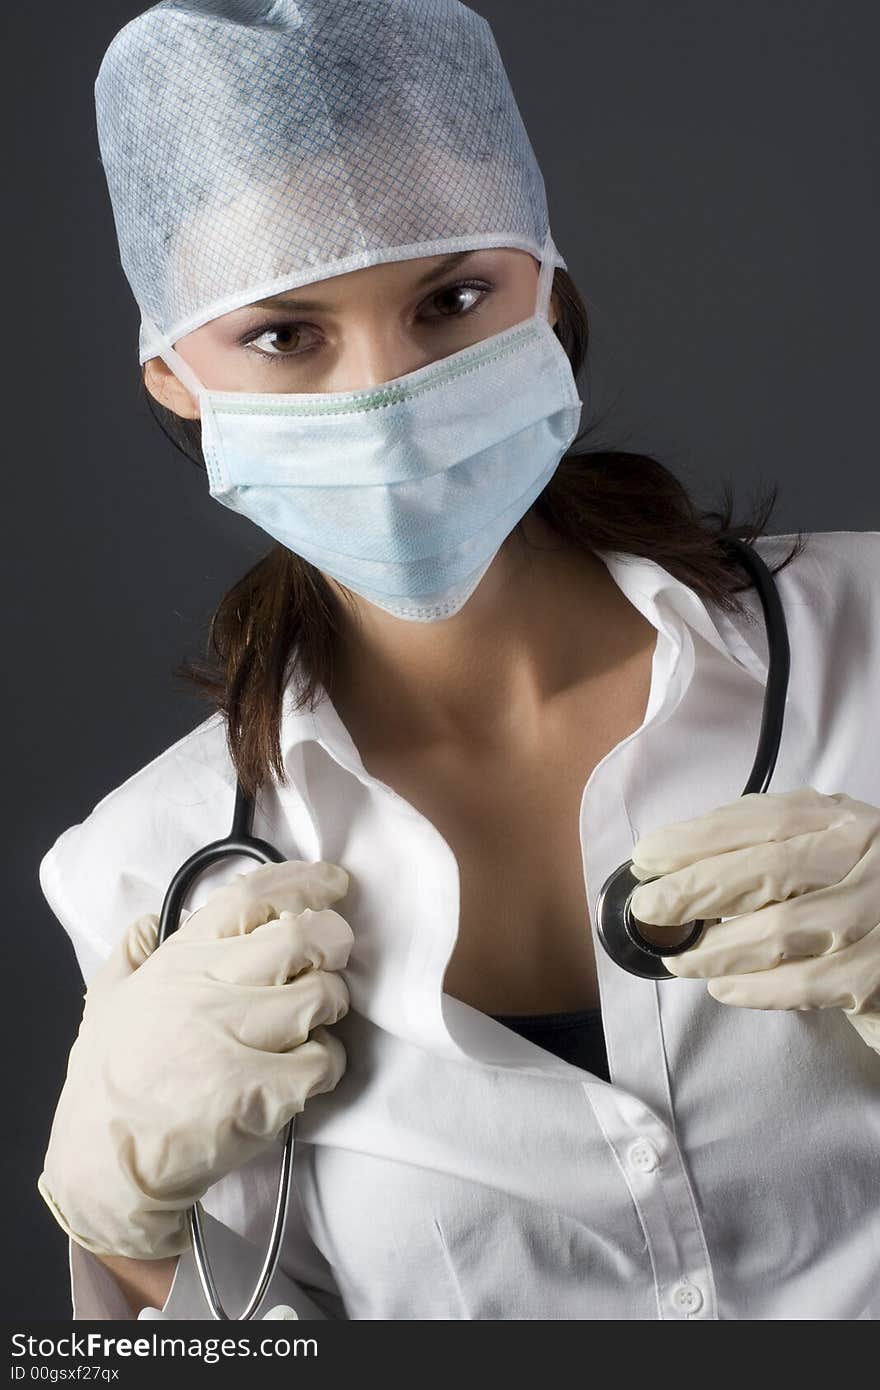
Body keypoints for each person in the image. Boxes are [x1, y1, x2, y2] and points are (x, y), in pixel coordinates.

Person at [37, 0, 879, 1322]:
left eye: (450, 298)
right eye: (283, 333)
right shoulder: (155, 868)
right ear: (173, 376)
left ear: (546, 281)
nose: (387, 398)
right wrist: (130, 1231)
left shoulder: (866, 644)